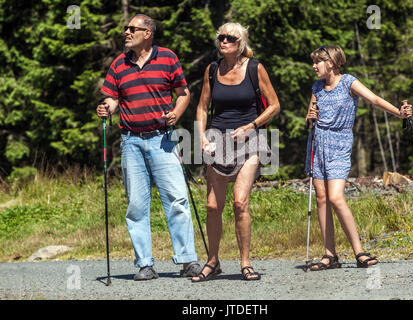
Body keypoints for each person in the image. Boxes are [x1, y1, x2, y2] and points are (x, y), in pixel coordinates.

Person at [96, 14, 202, 280]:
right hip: (131, 141)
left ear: (147, 33)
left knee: (177, 199)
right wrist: (106, 108)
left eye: (132, 28)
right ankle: (145, 264)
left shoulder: (167, 58)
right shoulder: (119, 64)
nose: (126, 32)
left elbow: (184, 93)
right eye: (125, 28)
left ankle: (187, 260)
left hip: (162, 138)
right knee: (136, 205)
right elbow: (112, 98)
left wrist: (177, 114)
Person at [304, 45, 413, 270]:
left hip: (339, 144)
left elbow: (373, 100)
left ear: (331, 63)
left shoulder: (348, 82)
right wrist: (311, 118)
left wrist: (398, 113)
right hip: (317, 144)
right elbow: (310, 117)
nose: (314, 66)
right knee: (322, 199)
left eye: (318, 62)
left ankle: (359, 251)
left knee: (336, 197)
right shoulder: (316, 87)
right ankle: (329, 255)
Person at [192, 22, 280, 282]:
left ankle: (245, 262)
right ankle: (213, 261)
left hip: (250, 139)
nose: (224, 41)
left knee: (240, 203)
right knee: (211, 206)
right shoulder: (212, 70)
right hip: (218, 139)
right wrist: (201, 139)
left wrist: (250, 126)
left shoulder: (255, 68)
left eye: (230, 37)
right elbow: (202, 107)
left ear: (241, 42)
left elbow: (274, 105)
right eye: (221, 37)